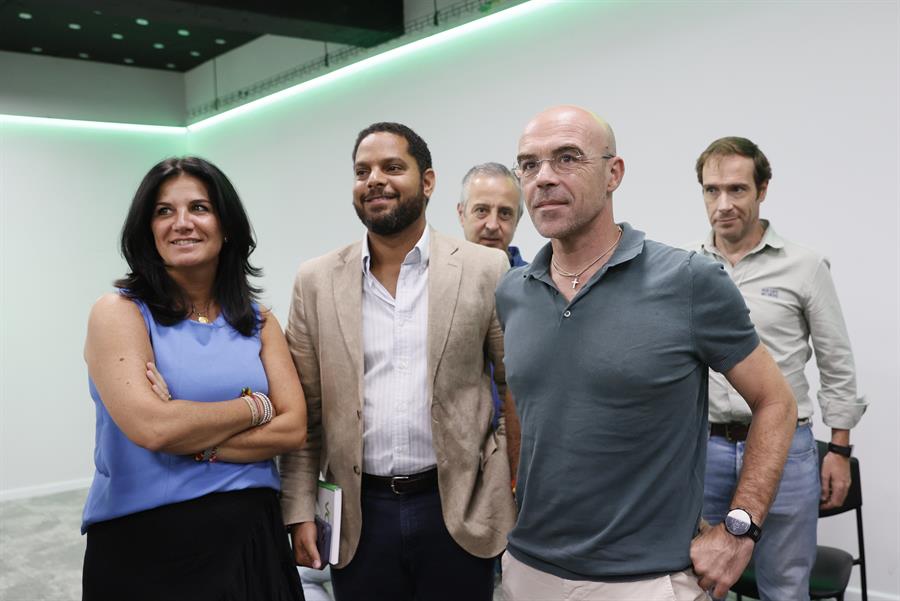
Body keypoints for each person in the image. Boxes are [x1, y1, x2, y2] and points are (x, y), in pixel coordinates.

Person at [495, 105, 798, 601]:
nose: (544, 177)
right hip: (529, 569)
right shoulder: (513, 292)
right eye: (529, 164)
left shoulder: (689, 280)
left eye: (567, 158)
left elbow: (776, 402)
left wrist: (740, 529)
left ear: (613, 173)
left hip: (648, 579)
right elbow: (525, 407)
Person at [279, 122, 516, 601]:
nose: (374, 180)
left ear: (427, 182)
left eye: (392, 167)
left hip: (458, 508)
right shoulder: (316, 281)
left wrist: (502, 478)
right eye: (362, 171)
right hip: (359, 516)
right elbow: (307, 412)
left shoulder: (485, 269)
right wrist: (299, 508)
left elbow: (516, 386)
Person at [81, 157, 307, 601]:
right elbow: (154, 428)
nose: (181, 223)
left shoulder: (260, 322)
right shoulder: (119, 313)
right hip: (147, 547)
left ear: (227, 227)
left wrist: (194, 439)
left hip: (253, 540)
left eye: (199, 208)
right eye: (164, 211)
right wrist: (257, 406)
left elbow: (293, 427)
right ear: (148, 230)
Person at [691, 137, 867, 601]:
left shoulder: (804, 267)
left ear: (762, 189)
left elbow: (836, 361)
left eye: (737, 189)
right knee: (695, 580)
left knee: (785, 585)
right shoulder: (684, 268)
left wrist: (839, 449)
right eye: (712, 190)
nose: (723, 204)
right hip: (703, 447)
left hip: (785, 448)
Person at [457, 162, 526, 473]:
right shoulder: (430, 287)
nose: (493, 225)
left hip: (521, 456)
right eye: (481, 211)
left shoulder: (539, 290)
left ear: (518, 220)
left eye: (505, 213)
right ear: (461, 213)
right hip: (456, 461)